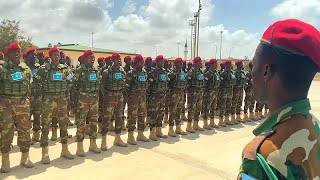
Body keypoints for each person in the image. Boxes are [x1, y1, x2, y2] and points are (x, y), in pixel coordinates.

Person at [238, 19, 320, 179]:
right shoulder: (315, 127)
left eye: (253, 65)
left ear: (266, 71)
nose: (251, 73)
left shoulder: (262, 158)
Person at [36, 46, 75, 164]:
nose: (57, 57)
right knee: (46, 125)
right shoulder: (44, 69)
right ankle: (45, 152)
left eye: (59, 55)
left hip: (62, 100)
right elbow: (36, 81)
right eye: (55, 55)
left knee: (63, 124)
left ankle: (64, 149)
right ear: (50, 56)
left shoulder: (64, 69)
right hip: (48, 100)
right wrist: (43, 92)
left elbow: (71, 80)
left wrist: (65, 88)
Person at [0, 42, 34, 172]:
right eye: (14, 51)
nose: (17, 53)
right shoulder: (2, 69)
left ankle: (25, 157)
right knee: (6, 132)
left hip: (22, 105)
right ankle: (5, 160)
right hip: (6, 106)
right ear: (8, 54)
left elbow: (29, 87)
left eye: (19, 51)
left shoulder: (26, 69)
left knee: (25, 131)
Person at [74, 50, 101, 156]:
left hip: (94, 100)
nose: (93, 59)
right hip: (83, 100)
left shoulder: (96, 70)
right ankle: (79, 146)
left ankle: (93, 144)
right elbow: (71, 83)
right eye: (90, 57)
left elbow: (99, 82)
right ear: (85, 59)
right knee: (81, 123)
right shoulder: (79, 70)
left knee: (94, 122)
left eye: (93, 57)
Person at [101, 52, 127, 147]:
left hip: (119, 96)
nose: (119, 61)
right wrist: (108, 96)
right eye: (117, 59)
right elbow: (102, 87)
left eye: (119, 59)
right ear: (112, 60)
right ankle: (103, 141)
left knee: (119, 117)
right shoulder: (106, 72)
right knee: (106, 118)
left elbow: (124, 84)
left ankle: (117, 138)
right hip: (110, 97)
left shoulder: (122, 71)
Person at [126, 54, 150, 144]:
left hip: (142, 98)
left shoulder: (144, 72)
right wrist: (130, 98)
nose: (142, 63)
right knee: (132, 117)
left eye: (142, 61)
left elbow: (146, 84)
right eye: (140, 62)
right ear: (136, 63)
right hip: (133, 99)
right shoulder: (130, 73)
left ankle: (140, 134)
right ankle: (130, 136)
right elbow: (126, 88)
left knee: (142, 116)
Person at [148, 55, 168, 140]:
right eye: (160, 61)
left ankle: (159, 131)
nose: (162, 63)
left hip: (162, 96)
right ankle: (152, 133)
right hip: (154, 97)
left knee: (161, 113)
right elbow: (148, 86)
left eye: (163, 61)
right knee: (154, 114)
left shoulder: (164, 72)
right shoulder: (152, 73)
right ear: (156, 62)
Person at [25, 47, 42, 144]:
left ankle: (36, 136)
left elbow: (40, 79)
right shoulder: (23, 67)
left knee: (37, 115)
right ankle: (26, 137)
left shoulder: (38, 68)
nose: (35, 57)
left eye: (36, 55)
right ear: (28, 56)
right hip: (27, 96)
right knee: (26, 117)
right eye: (33, 55)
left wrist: (35, 74)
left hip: (38, 95)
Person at [167, 57, 188, 137]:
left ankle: (178, 128)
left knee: (179, 110)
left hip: (181, 93)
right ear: (176, 64)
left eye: (182, 63)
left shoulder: (183, 73)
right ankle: (170, 129)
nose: (181, 64)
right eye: (180, 63)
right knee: (172, 111)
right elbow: (167, 83)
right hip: (174, 94)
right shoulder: (171, 73)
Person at [186, 56, 205, 132]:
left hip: (200, 92)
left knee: (198, 108)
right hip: (192, 93)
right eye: (200, 62)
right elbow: (188, 83)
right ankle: (189, 126)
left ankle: (196, 124)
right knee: (191, 109)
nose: (201, 63)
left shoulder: (201, 71)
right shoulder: (191, 72)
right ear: (196, 63)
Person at [202, 58, 220, 129]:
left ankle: (212, 122)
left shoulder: (216, 73)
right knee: (207, 108)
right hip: (208, 93)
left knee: (213, 108)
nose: (216, 65)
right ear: (212, 64)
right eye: (215, 64)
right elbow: (204, 85)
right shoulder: (207, 74)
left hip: (215, 92)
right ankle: (205, 123)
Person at [218, 60, 236, 127]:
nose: (231, 65)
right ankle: (221, 120)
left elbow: (234, 80)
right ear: (227, 65)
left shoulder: (232, 73)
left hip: (230, 91)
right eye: (230, 64)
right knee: (223, 106)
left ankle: (227, 119)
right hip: (224, 91)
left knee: (229, 105)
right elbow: (221, 83)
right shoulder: (223, 73)